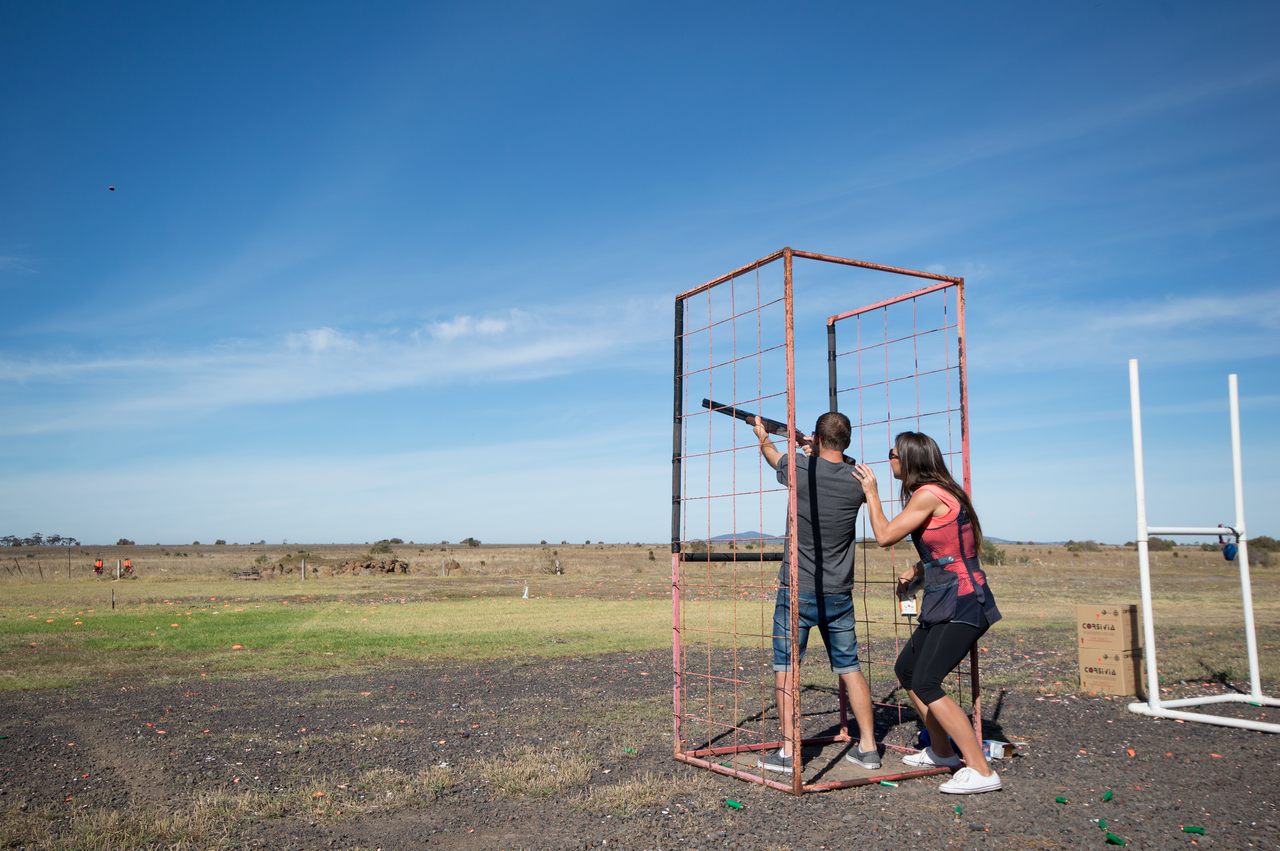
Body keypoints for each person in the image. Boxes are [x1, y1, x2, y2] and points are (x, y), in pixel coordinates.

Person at [852, 432, 1003, 794]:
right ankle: (941, 752)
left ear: (908, 459)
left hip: (965, 601)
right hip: (945, 598)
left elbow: (885, 535)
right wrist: (918, 573)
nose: (888, 460)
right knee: (907, 669)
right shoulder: (937, 492)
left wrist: (870, 492)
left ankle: (981, 771)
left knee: (926, 681)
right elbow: (949, 547)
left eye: (891, 454)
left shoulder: (928, 494)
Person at [752, 412, 880, 775]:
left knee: (786, 669)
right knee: (850, 667)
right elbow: (835, 467)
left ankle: (790, 752)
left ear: (819, 439)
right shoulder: (859, 480)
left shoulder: (800, 468)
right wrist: (812, 451)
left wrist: (763, 434)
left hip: (797, 588)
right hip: (839, 593)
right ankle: (868, 748)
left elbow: (772, 456)